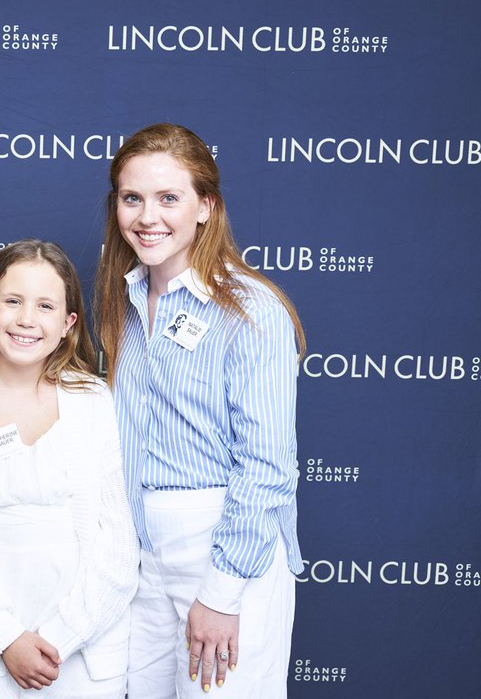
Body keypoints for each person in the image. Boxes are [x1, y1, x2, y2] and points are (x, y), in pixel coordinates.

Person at [94, 123, 305, 697]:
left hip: (222, 547)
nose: (147, 216)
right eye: (131, 198)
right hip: (141, 555)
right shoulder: (127, 301)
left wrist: (221, 592)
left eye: (169, 198)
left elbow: (267, 467)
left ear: (206, 206)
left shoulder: (252, 311)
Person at [0, 239, 139, 699]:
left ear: (68, 324)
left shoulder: (93, 402)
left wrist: (58, 640)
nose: (26, 319)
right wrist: (8, 638)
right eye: (12, 302)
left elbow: (118, 547)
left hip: (83, 652)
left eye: (45, 306)